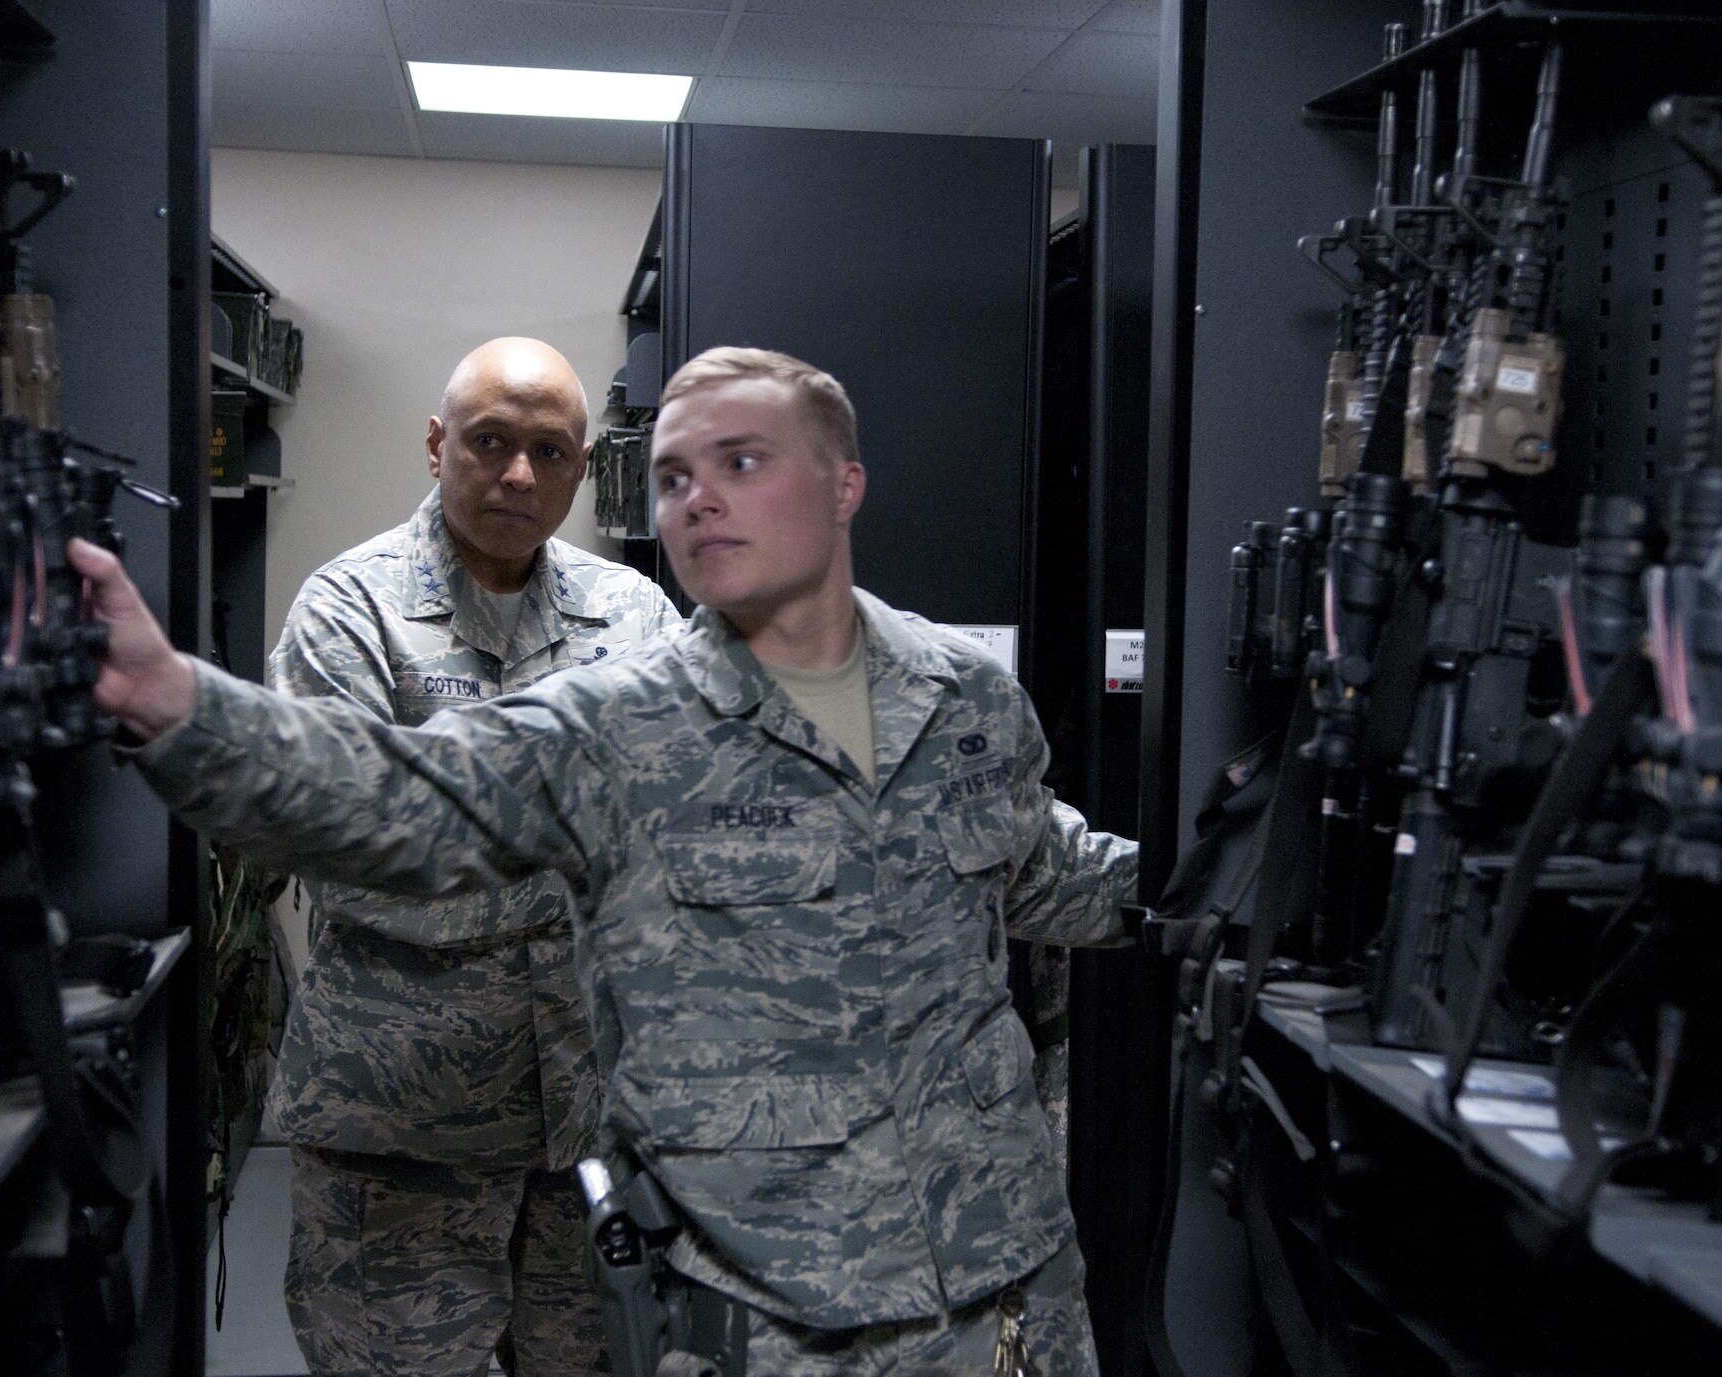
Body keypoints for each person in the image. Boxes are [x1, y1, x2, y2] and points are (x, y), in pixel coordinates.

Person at [72, 347, 1136, 1376]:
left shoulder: (962, 694)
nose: (697, 498)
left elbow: (1041, 865)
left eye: (741, 462)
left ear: (844, 484)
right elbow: (388, 796)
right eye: (672, 477)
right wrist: (171, 700)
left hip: (994, 1278)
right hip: (754, 1298)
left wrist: (1217, 886)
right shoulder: (623, 722)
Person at [267, 337, 682, 1377]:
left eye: (549, 452)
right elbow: (355, 850)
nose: (517, 476)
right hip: (403, 1136)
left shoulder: (634, 617)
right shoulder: (349, 610)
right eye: (490, 443)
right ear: (435, 443)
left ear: (583, 467)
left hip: (591, 1138)